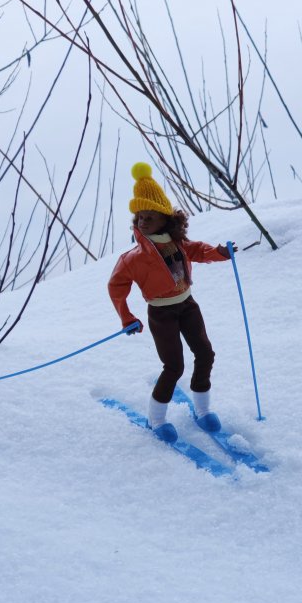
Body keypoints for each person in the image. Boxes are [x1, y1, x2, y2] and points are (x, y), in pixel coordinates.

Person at [108, 162, 236, 443]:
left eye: (150, 217)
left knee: (205, 354)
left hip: (188, 306)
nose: (143, 222)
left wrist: (220, 253)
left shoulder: (178, 243)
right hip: (161, 313)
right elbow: (117, 286)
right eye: (140, 217)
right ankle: (157, 419)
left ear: (165, 218)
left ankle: (202, 410)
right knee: (173, 366)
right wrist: (126, 317)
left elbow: (199, 250)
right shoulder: (134, 258)